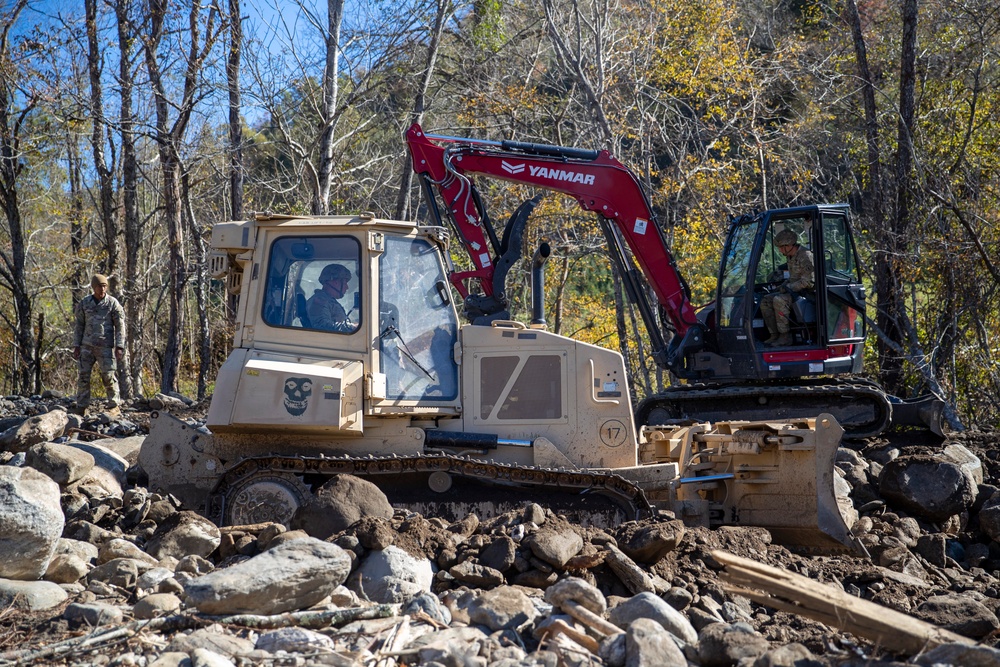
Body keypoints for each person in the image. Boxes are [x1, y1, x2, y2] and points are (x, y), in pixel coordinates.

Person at [73, 274, 125, 412]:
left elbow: (120, 326)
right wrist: (76, 345)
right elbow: (79, 325)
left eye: (104, 286)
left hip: (105, 347)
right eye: (99, 287)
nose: (102, 289)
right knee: (84, 376)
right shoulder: (85, 303)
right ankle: (82, 406)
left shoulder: (112, 303)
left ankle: (114, 405)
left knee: (108, 376)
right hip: (86, 346)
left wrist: (120, 346)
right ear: (93, 287)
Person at [760, 229, 814, 346]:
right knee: (765, 300)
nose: (779, 250)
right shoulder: (791, 256)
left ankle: (785, 337)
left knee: (779, 300)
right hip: (794, 291)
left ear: (789, 245)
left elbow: (808, 282)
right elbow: (793, 277)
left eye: (781, 247)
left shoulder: (805, 256)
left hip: (806, 294)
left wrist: (789, 287)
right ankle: (774, 335)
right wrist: (782, 286)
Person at [307, 263, 356, 332]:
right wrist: (352, 327)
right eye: (345, 283)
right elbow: (322, 326)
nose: (347, 287)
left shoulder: (327, 300)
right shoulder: (319, 301)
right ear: (335, 282)